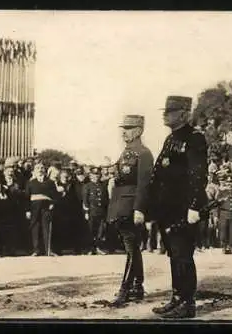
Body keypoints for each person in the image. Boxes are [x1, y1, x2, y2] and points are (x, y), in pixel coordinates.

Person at [150, 96, 208, 319]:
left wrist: (194, 206)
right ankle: (177, 297)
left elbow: (198, 174)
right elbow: (159, 174)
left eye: (171, 111)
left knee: (183, 254)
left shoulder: (195, 138)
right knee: (174, 254)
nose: (165, 114)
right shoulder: (170, 138)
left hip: (184, 208)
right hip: (168, 208)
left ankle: (187, 303)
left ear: (184, 114)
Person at [107, 115, 154, 307]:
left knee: (131, 248)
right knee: (132, 247)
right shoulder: (126, 152)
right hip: (120, 205)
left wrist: (139, 209)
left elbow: (144, 184)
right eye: (123, 128)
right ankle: (137, 286)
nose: (123, 131)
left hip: (131, 207)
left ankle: (125, 289)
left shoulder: (144, 153)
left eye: (128, 127)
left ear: (139, 130)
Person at [25, 163, 58, 256]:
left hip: (46, 208)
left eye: (42, 168)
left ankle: (48, 250)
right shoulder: (30, 182)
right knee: (35, 229)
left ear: (45, 170)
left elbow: (55, 196)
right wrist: (27, 210)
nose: (40, 170)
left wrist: (52, 204)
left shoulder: (50, 182)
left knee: (46, 228)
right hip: (34, 209)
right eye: (38, 168)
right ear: (34, 171)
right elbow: (27, 197)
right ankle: (36, 250)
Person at [82, 167, 109, 254]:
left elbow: (106, 199)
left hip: (101, 211)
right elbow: (85, 201)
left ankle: (98, 247)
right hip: (91, 211)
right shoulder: (87, 186)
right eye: (94, 175)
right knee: (90, 231)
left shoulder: (103, 186)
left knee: (100, 231)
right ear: (90, 176)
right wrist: (86, 212)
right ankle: (90, 248)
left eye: (97, 175)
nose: (96, 177)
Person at [216, 175, 232, 254]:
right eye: (228, 182)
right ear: (225, 183)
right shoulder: (222, 192)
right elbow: (217, 203)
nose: (229, 184)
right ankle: (224, 246)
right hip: (224, 212)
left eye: (231, 182)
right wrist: (216, 215)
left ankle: (231, 246)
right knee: (223, 230)